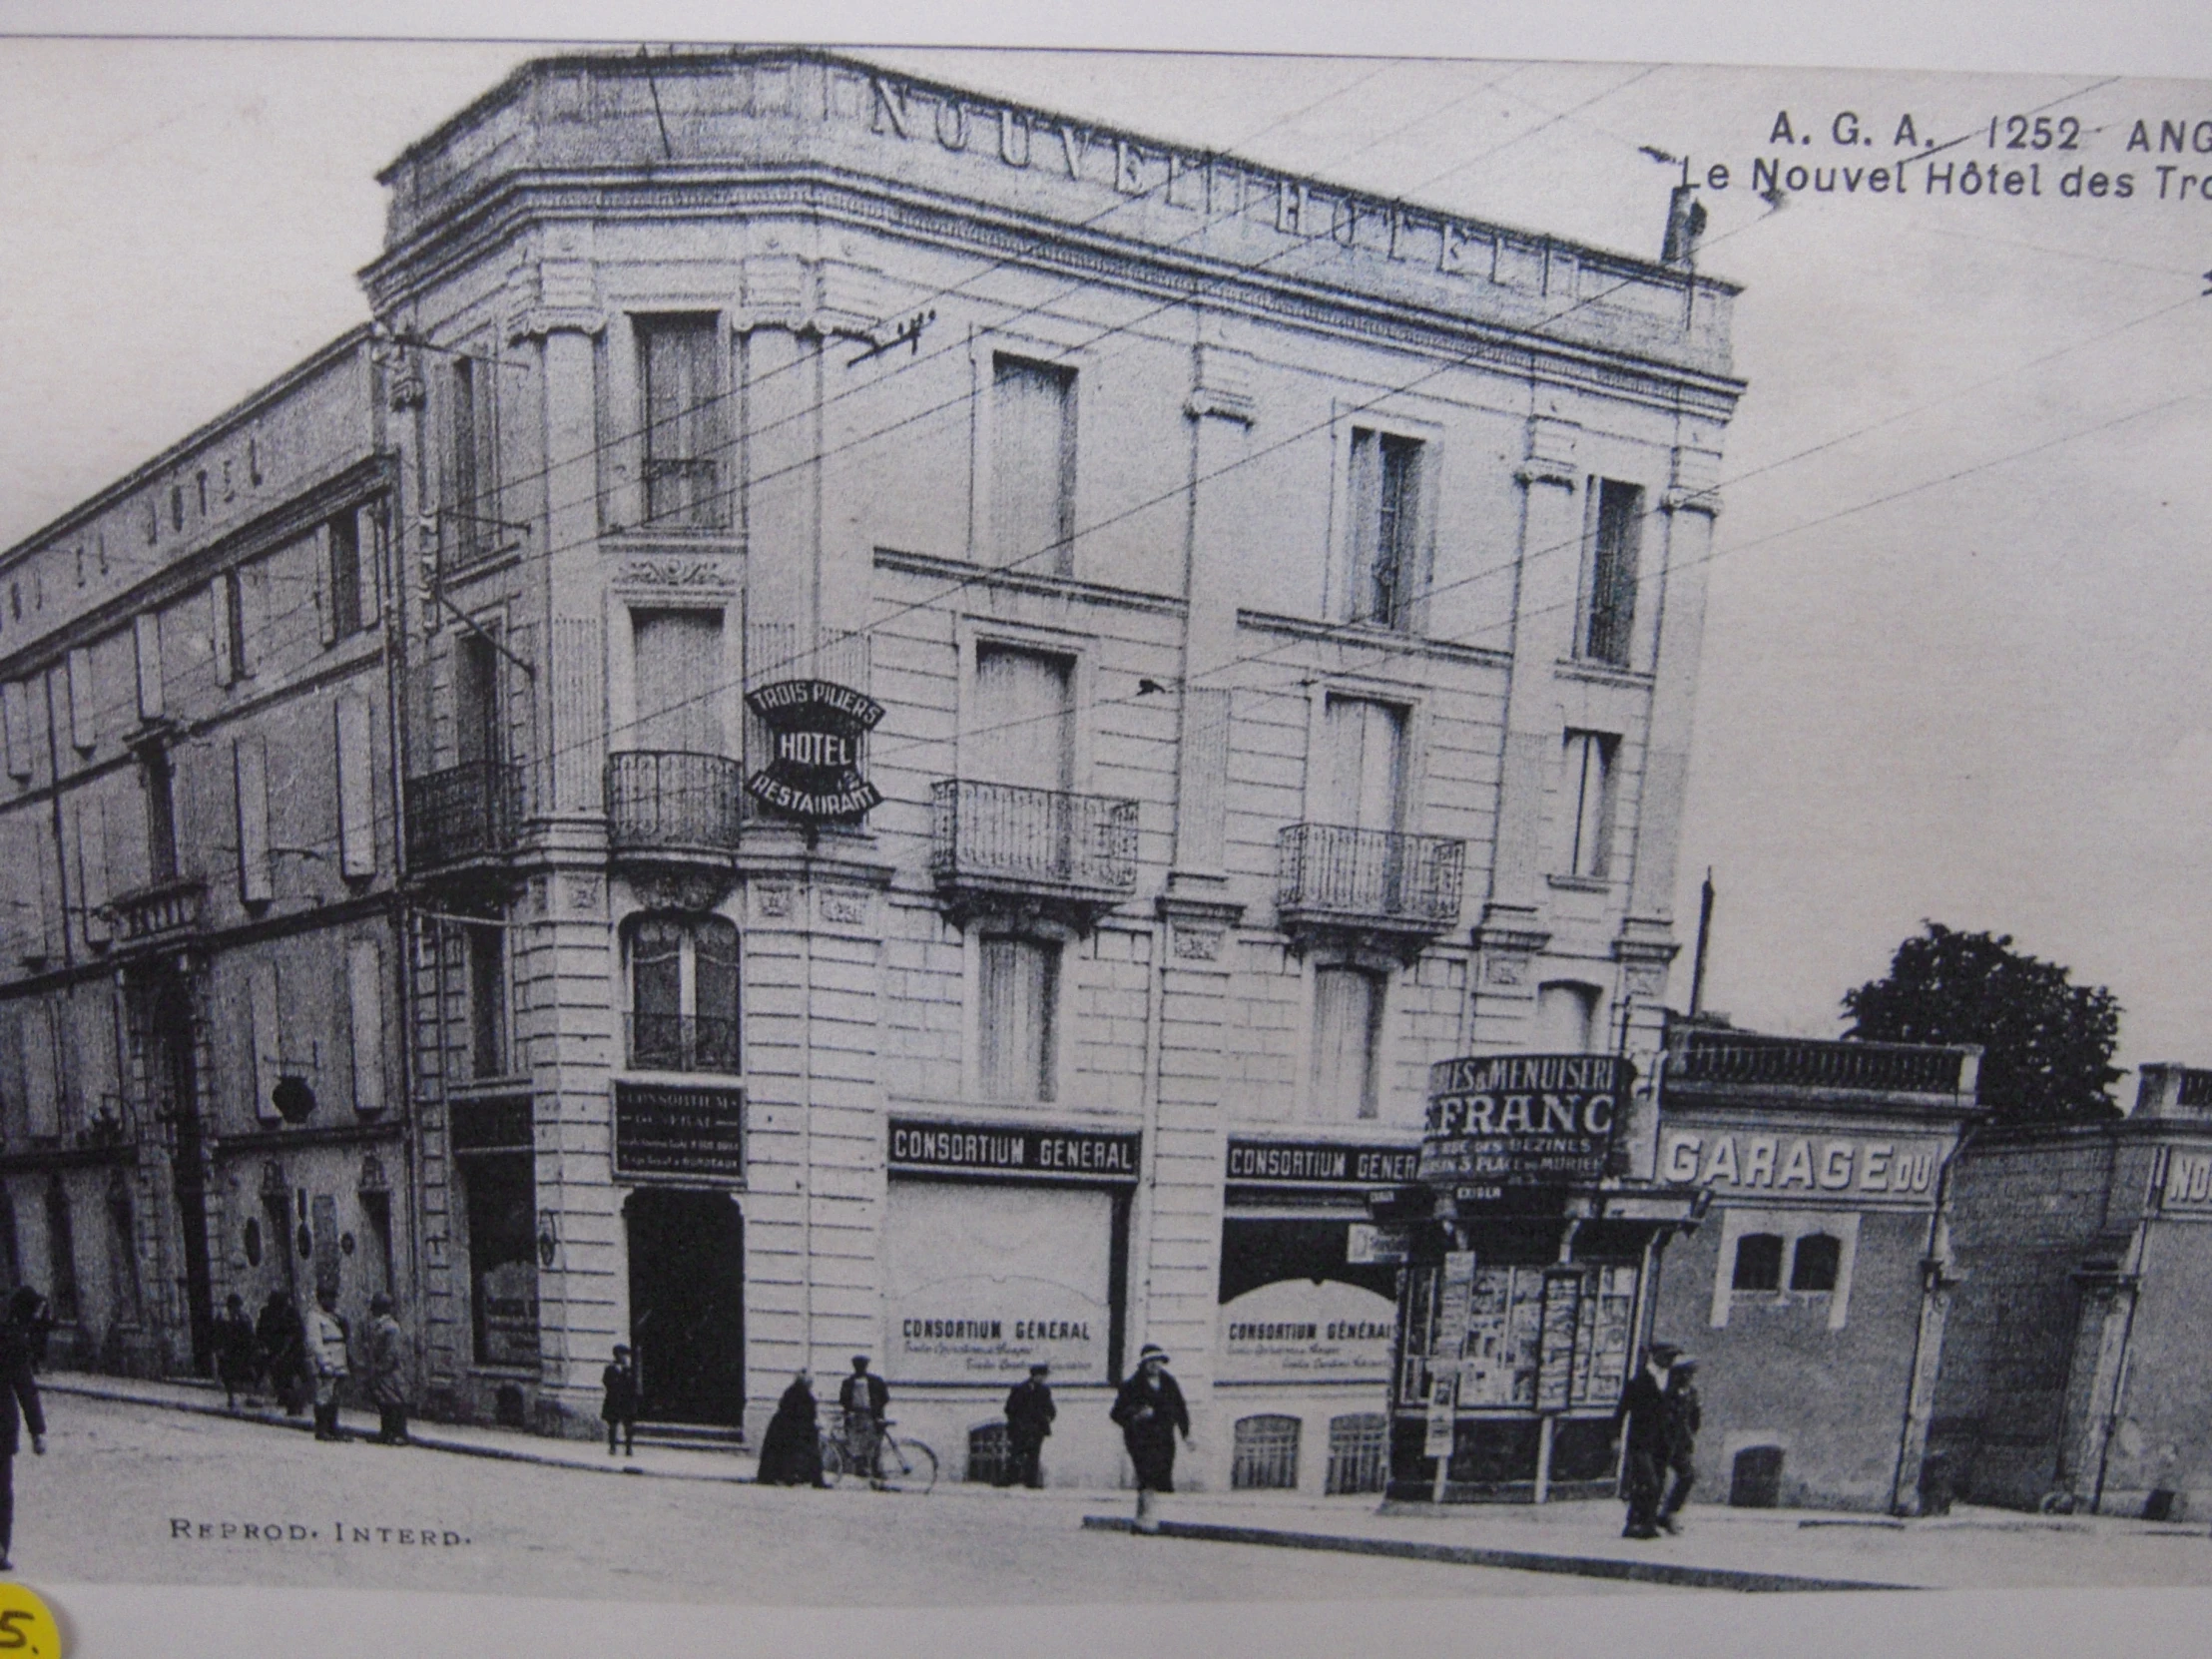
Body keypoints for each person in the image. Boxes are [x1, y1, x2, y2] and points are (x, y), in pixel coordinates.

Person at [1110, 1344, 1191, 1532]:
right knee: (1146, 1475)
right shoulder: (1132, 1385)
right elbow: (1116, 1413)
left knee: (1162, 1474)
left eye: (1159, 1362)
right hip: (1141, 1439)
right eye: (1151, 1362)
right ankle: (1145, 1518)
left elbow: (1180, 1408)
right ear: (1144, 1364)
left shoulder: (1169, 1382)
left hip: (1164, 1438)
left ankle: (1150, 1517)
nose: (1155, 1365)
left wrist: (1186, 1434)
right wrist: (1137, 1414)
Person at [0, 1289, 48, 1571]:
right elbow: (25, 1388)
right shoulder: (13, 1341)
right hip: (1, 1427)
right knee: (2, 1491)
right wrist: (37, 1432)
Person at [1611, 1340, 1677, 1540]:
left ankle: (1641, 1523)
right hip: (1641, 1440)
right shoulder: (1639, 1381)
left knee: (1657, 1480)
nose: (1670, 1361)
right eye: (1667, 1356)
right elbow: (1622, 1411)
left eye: (1673, 1358)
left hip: (1662, 1442)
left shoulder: (1671, 1380)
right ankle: (1640, 1523)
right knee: (1649, 1482)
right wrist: (1615, 1437)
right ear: (1654, 1356)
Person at [756, 1371, 827, 1487]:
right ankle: (812, 1480)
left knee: (783, 1454)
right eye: (810, 1382)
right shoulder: (803, 1395)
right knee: (809, 1454)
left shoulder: (791, 1392)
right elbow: (806, 1413)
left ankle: (783, 1477)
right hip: (796, 1430)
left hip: (786, 1429)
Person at [1659, 1355, 1702, 1533]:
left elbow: (1694, 1419)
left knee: (1688, 1475)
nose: (1689, 1378)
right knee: (1656, 1479)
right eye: (1686, 1374)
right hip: (1663, 1441)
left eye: (1691, 1374)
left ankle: (1669, 1512)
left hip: (1680, 1443)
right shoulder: (1666, 1393)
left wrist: (1690, 1436)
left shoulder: (1692, 1393)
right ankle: (1656, 1515)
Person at [303, 1289, 351, 1442]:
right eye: (329, 1298)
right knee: (324, 1394)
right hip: (328, 1358)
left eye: (333, 1298)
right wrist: (324, 1362)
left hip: (339, 1358)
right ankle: (322, 1428)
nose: (332, 1302)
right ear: (321, 1298)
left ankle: (333, 1427)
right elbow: (315, 1342)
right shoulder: (314, 1317)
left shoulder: (335, 1316)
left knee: (335, 1396)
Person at [1001, 1363, 1056, 1489]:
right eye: (1043, 1376)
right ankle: (1008, 1479)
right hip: (1020, 1429)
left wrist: (1049, 1418)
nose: (1044, 1379)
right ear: (1036, 1376)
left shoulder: (1044, 1390)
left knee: (1034, 1456)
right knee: (1016, 1454)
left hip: (1037, 1430)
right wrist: (1017, 1422)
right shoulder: (1019, 1389)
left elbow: (1051, 1409)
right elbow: (1009, 1408)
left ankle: (1031, 1482)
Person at [362, 1294, 407, 1445]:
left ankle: (399, 1433)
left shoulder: (391, 1327)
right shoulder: (378, 1325)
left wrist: (382, 1367)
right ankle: (386, 1432)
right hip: (381, 1370)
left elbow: (392, 1351)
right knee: (383, 1402)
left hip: (390, 1371)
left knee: (394, 1401)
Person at [837, 1355, 888, 1482]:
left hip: (872, 1416)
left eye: (862, 1366)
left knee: (874, 1444)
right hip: (856, 1416)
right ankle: (861, 1469)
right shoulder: (848, 1382)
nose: (860, 1368)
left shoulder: (875, 1381)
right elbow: (843, 1400)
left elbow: (885, 1397)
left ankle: (876, 1470)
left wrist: (876, 1409)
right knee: (857, 1444)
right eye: (857, 1366)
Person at [257, 1291, 305, 1416]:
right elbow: (260, 1330)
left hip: (292, 1352)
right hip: (273, 1350)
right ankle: (284, 1398)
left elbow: (295, 1334)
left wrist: (284, 1352)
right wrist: (263, 1346)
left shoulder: (291, 1313)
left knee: (289, 1376)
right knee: (277, 1375)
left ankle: (294, 1404)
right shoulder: (266, 1313)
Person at [212, 1293, 258, 1409]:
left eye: (238, 1306)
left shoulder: (244, 1318)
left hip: (241, 1350)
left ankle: (250, 1397)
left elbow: (250, 1333)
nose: (236, 1309)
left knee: (248, 1374)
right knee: (228, 1375)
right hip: (228, 1351)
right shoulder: (222, 1318)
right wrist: (218, 1349)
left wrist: (251, 1347)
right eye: (234, 1306)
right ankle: (230, 1398)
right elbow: (216, 1335)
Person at [601, 1345, 639, 1457]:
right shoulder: (610, 1368)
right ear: (617, 1355)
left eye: (626, 1355)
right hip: (613, 1400)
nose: (625, 1357)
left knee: (629, 1426)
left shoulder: (629, 1369)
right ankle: (612, 1447)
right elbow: (606, 1381)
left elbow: (634, 1384)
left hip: (627, 1401)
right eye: (623, 1354)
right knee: (612, 1425)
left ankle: (628, 1448)